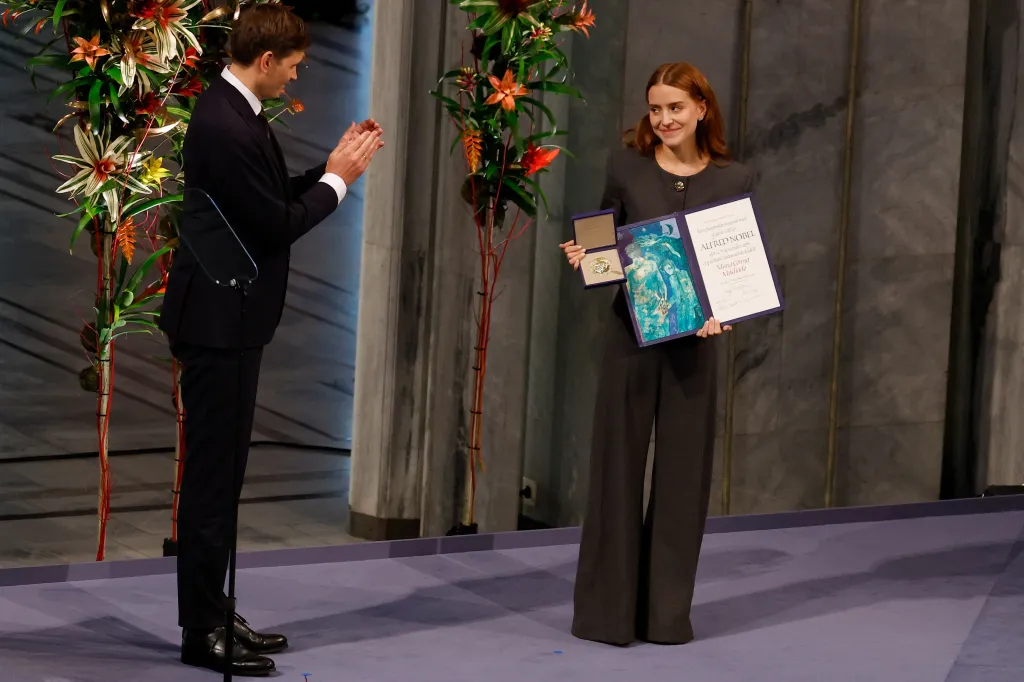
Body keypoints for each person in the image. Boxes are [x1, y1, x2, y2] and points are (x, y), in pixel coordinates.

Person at [158, 4, 383, 675]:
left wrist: (329, 168)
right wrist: (341, 180)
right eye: (292, 63)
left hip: (230, 320)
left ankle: (213, 609)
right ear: (265, 60)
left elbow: (265, 198)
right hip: (218, 325)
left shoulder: (233, 110)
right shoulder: (227, 125)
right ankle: (201, 632)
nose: (295, 73)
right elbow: (276, 225)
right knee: (211, 483)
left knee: (221, 480)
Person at [559, 62, 755, 646]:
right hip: (630, 340)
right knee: (615, 471)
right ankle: (605, 616)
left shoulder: (736, 177)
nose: (664, 119)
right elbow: (604, 245)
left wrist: (725, 310)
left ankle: (666, 617)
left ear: (701, 109)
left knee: (682, 480)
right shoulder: (626, 167)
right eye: (655, 108)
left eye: (675, 107)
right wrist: (587, 257)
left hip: (696, 349)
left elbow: (736, 265)